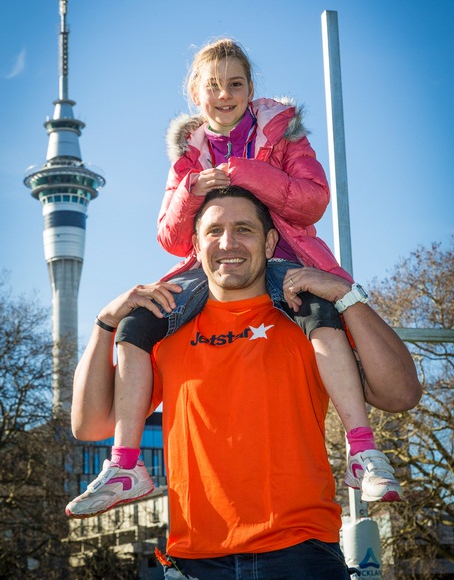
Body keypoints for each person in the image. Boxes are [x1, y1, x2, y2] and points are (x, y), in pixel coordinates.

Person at [67, 38, 415, 518]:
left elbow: (313, 199)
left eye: (236, 84)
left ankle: (361, 449)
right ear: (195, 93)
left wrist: (249, 173)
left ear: (252, 89)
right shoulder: (188, 155)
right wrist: (190, 190)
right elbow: (171, 238)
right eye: (213, 85)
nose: (225, 94)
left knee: (321, 312)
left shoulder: (283, 134)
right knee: (138, 323)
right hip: (198, 553)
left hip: (290, 258)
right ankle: (126, 465)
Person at [67, 188, 421, 580]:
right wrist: (104, 324)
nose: (228, 243)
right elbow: (89, 423)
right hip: (194, 572)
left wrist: (345, 295)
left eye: (244, 230)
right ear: (196, 246)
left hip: (302, 560)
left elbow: (401, 393)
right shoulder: (166, 333)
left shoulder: (307, 320)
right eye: (214, 231)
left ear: (270, 242)